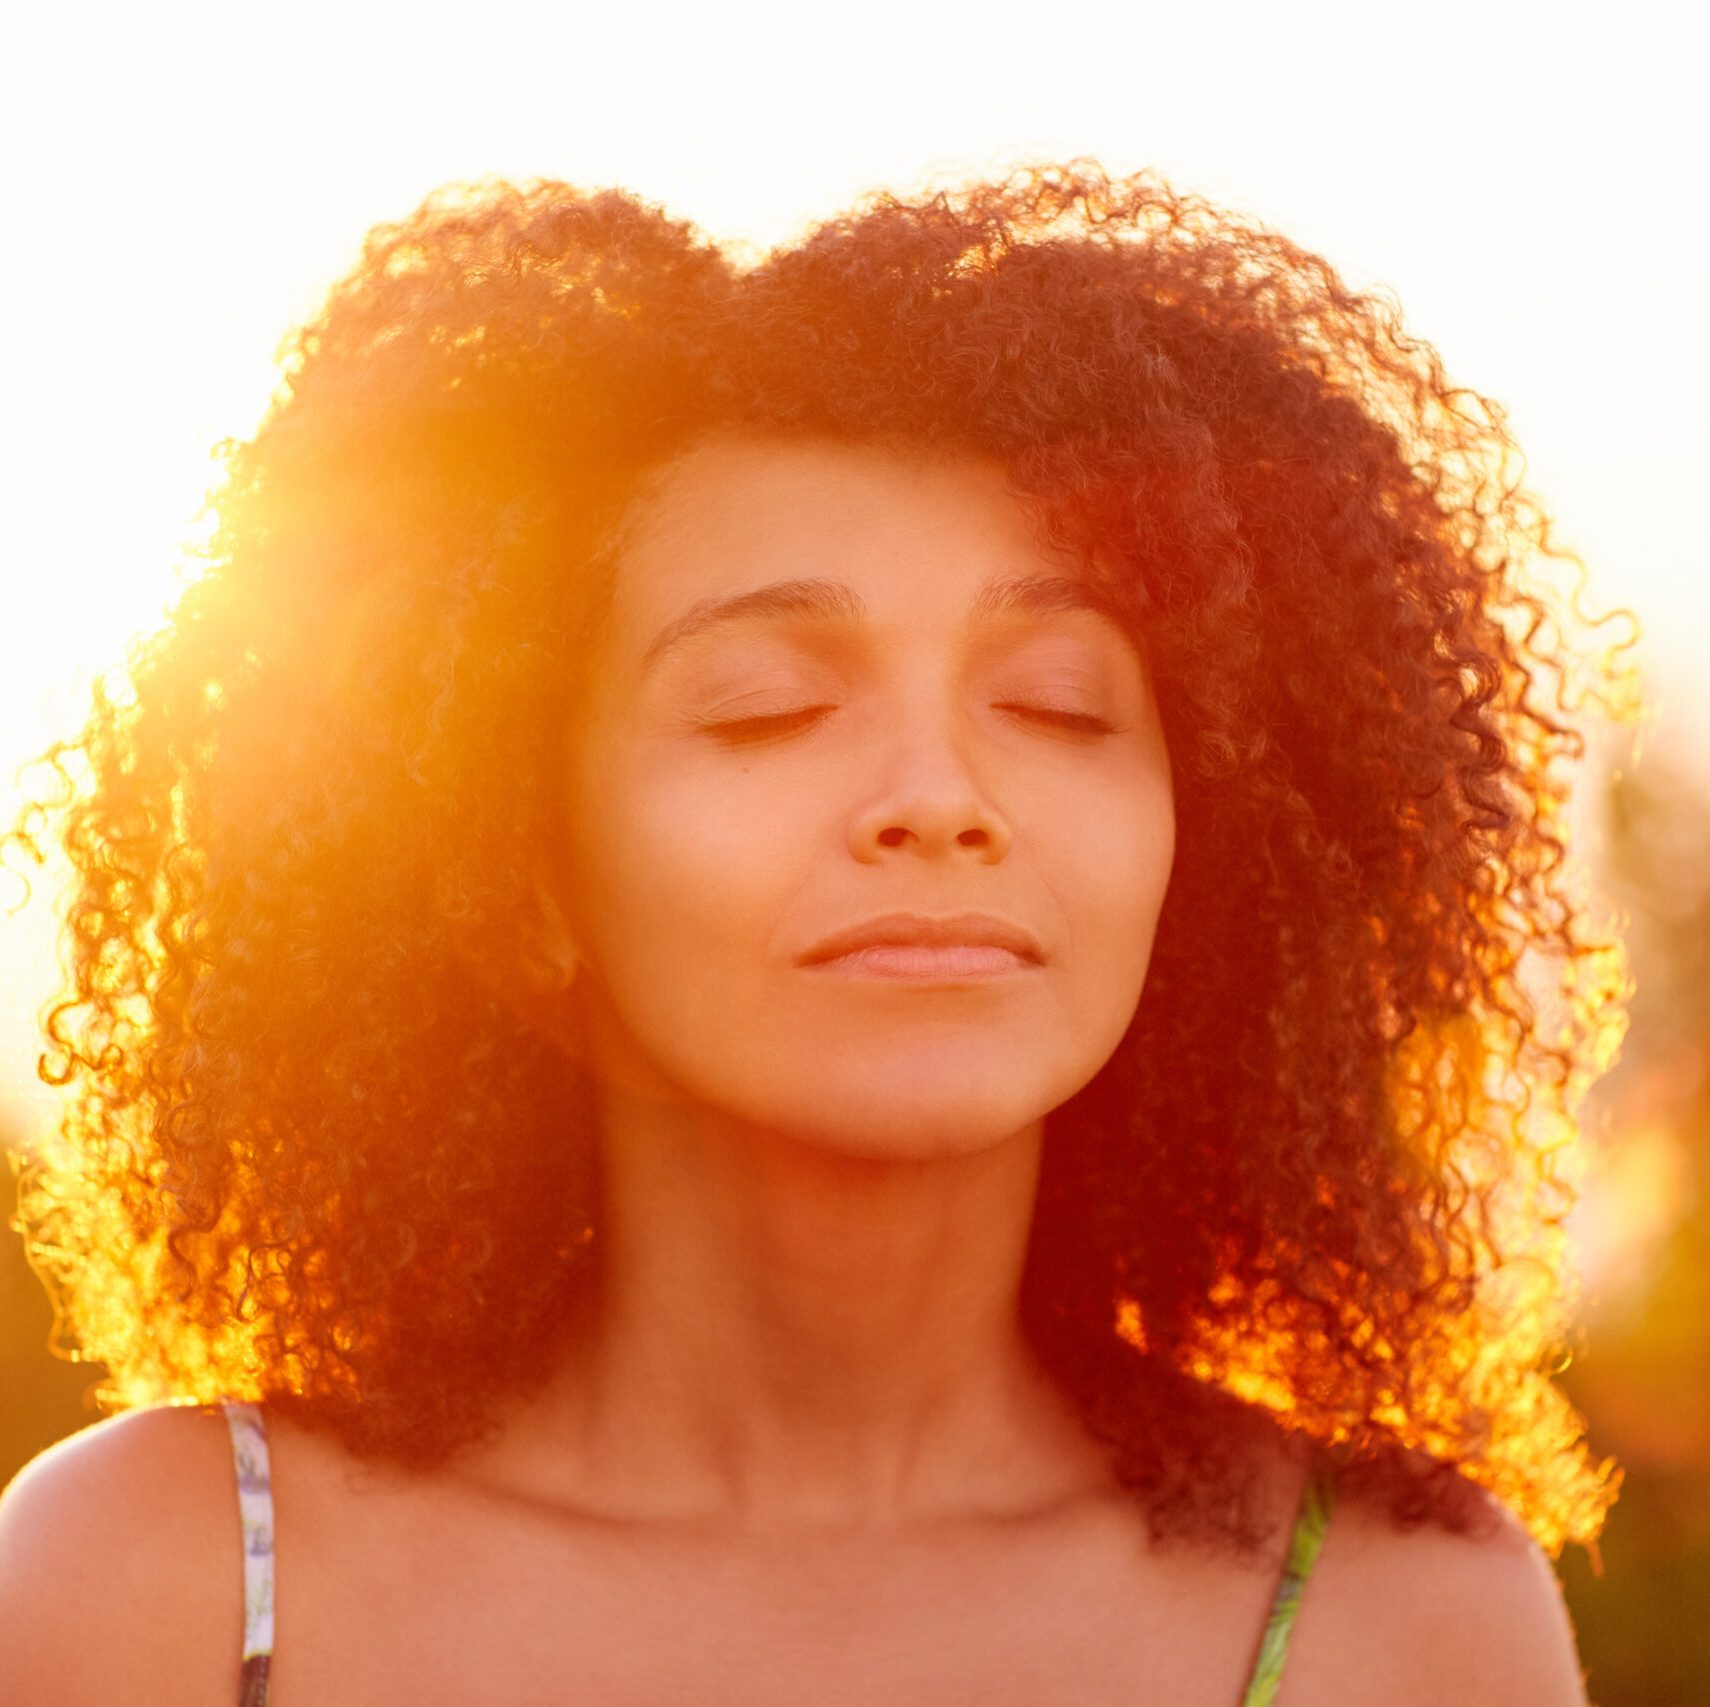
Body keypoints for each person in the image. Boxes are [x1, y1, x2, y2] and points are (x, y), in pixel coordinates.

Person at [0, 158, 1636, 1705]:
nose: (938, 797)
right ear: (520, 881)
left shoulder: (1402, 1619)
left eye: (1055, 704)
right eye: (767, 708)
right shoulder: (161, 1586)